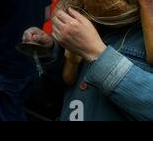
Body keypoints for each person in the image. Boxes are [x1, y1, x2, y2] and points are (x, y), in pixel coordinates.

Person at [23, 8, 153, 121]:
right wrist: (52, 50)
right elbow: (66, 83)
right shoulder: (92, 20)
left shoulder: (146, 34)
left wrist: (97, 53)